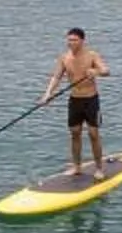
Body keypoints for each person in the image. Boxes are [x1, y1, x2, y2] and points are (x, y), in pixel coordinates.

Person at [43, 27, 112, 178]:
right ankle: (77, 167)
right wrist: (48, 94)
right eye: (69, 40)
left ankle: (99, 168)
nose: (70, 43)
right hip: (75, 100)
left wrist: (96, 72)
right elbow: (56, 77)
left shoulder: (91, 55)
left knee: (93, 134)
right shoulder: (64, 58)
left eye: (74, 40)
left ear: (82, 41)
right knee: (75, 133)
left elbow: (106, 71)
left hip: (91, 100)